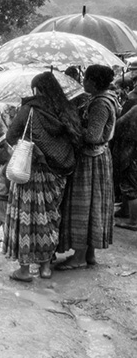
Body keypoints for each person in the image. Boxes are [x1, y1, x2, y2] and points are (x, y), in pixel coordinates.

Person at [4, 72, 82, 282]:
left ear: (37, 90)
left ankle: (24, 270)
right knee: (49, 219)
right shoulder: (67, 111)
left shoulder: (29, 110)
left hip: (31, 172)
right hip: (56, 175)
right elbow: (75, 143)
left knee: (26, 219)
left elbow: (11, 136)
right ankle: (46, 267)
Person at [56, 65, 120, 270]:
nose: (83, 83)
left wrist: (73, 125)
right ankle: (88, 253)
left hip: (91, 159)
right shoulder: (104, 99)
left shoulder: (101, 104)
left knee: (84, 205)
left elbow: (92, 136)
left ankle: (80, 256)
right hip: (99, 158)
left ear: (93, 81)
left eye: (86, 79)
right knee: (93, 204)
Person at [113, 103, 137, 231]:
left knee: (130, 188)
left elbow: (120, 124)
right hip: (132, 151)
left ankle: (134, 221)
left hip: (131, 153)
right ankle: (126, 211)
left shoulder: (135, 110)